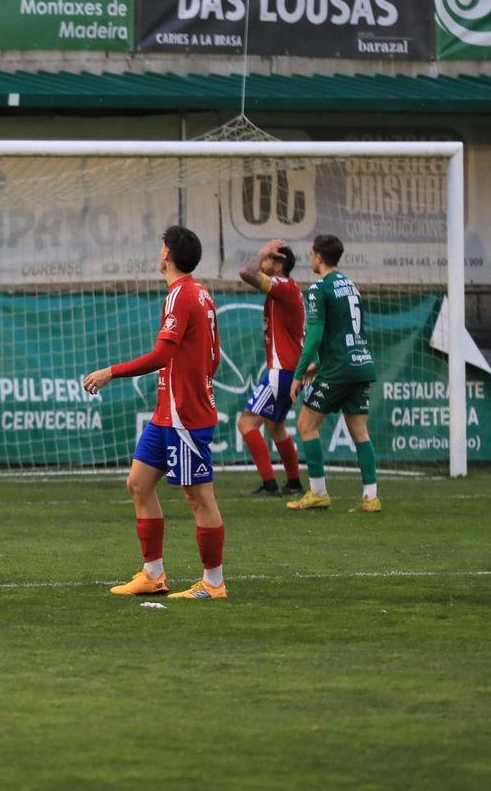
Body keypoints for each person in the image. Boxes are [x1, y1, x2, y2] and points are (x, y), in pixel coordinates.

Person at [84, 225, 227, 601]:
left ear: (167, 254)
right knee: (138, 483)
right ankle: (153, 575)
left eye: (162, 246)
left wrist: (110, 372)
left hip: (185, 416)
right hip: (168, 412)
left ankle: (214, 583)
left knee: (198, 498)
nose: (159, 251)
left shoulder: (182, 295)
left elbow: (163, 355)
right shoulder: (200, 294)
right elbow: (213, 356)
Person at [286, 234, 381, 513]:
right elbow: (346, 333)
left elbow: (314, 335)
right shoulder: (351, 287)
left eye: (311, 255)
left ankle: (317, 493)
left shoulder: (318, 289)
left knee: (306, 425)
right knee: (360, 431)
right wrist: (319, 365)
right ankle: (370, 498)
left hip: (340, 368)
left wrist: (299, 372)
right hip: (361, 363)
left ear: (317, 257)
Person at [236, 239, 306, 498]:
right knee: (276, 426)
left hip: (282, 372)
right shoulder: (285, 289)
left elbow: (245, 273)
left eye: (266, 259)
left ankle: (269, 484)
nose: (261, 262)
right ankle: (295, 483)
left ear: (278, 264)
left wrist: (262, 252)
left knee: (246, 423)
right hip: (290, 372)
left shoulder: (283, 286)